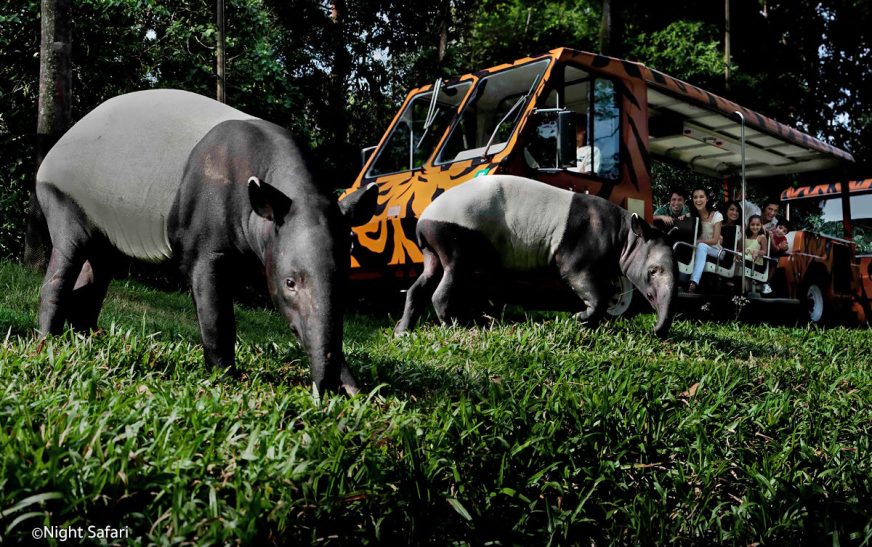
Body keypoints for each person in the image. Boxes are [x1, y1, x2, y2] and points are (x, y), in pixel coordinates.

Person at [687, 187, 723, 293]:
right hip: (698, 249)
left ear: (707, 199)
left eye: (701, 197)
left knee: (701, 246)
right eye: (695, 197)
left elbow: (715, 240)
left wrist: (699, 242)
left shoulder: (717, 215)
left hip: (717, 251)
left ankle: (694, 282)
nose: (698, 200)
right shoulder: (691, 216)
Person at [743, 214, 772, 295]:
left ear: (761, 225)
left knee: (742, 262)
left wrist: (757, 252)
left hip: (757, 262)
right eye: (752, 224)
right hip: (746, 258)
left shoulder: (762, 237)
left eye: (758, 225)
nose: (755, 227)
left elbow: (764, 252)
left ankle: (757, 286)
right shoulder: (745, 237)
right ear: (749, 225)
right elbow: (740, 249)